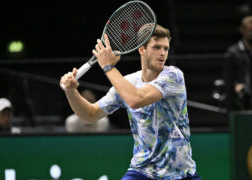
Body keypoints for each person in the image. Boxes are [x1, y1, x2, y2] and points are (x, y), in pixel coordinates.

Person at [60, 25, 200, 180]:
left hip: (179, 174)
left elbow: (136, 99)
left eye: (166, 48)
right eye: (157, 47)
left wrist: (108, 66)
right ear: (142, 50)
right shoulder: (128, 82)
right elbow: (90, 115)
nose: (162, 53)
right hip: (142, 171)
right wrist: (71, 92)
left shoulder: (173, 76)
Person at [226, 16, 252, 109]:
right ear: (242, 30)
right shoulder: (233, 52)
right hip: (241, 96)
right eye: (250, 30)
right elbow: (229, 79)